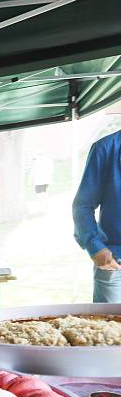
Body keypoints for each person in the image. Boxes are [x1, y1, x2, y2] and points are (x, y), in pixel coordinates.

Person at [73, 129, 121, 303]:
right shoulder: (106, 148)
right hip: (115, 263)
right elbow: (83, 205)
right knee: (110, 327)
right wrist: (95, 246)